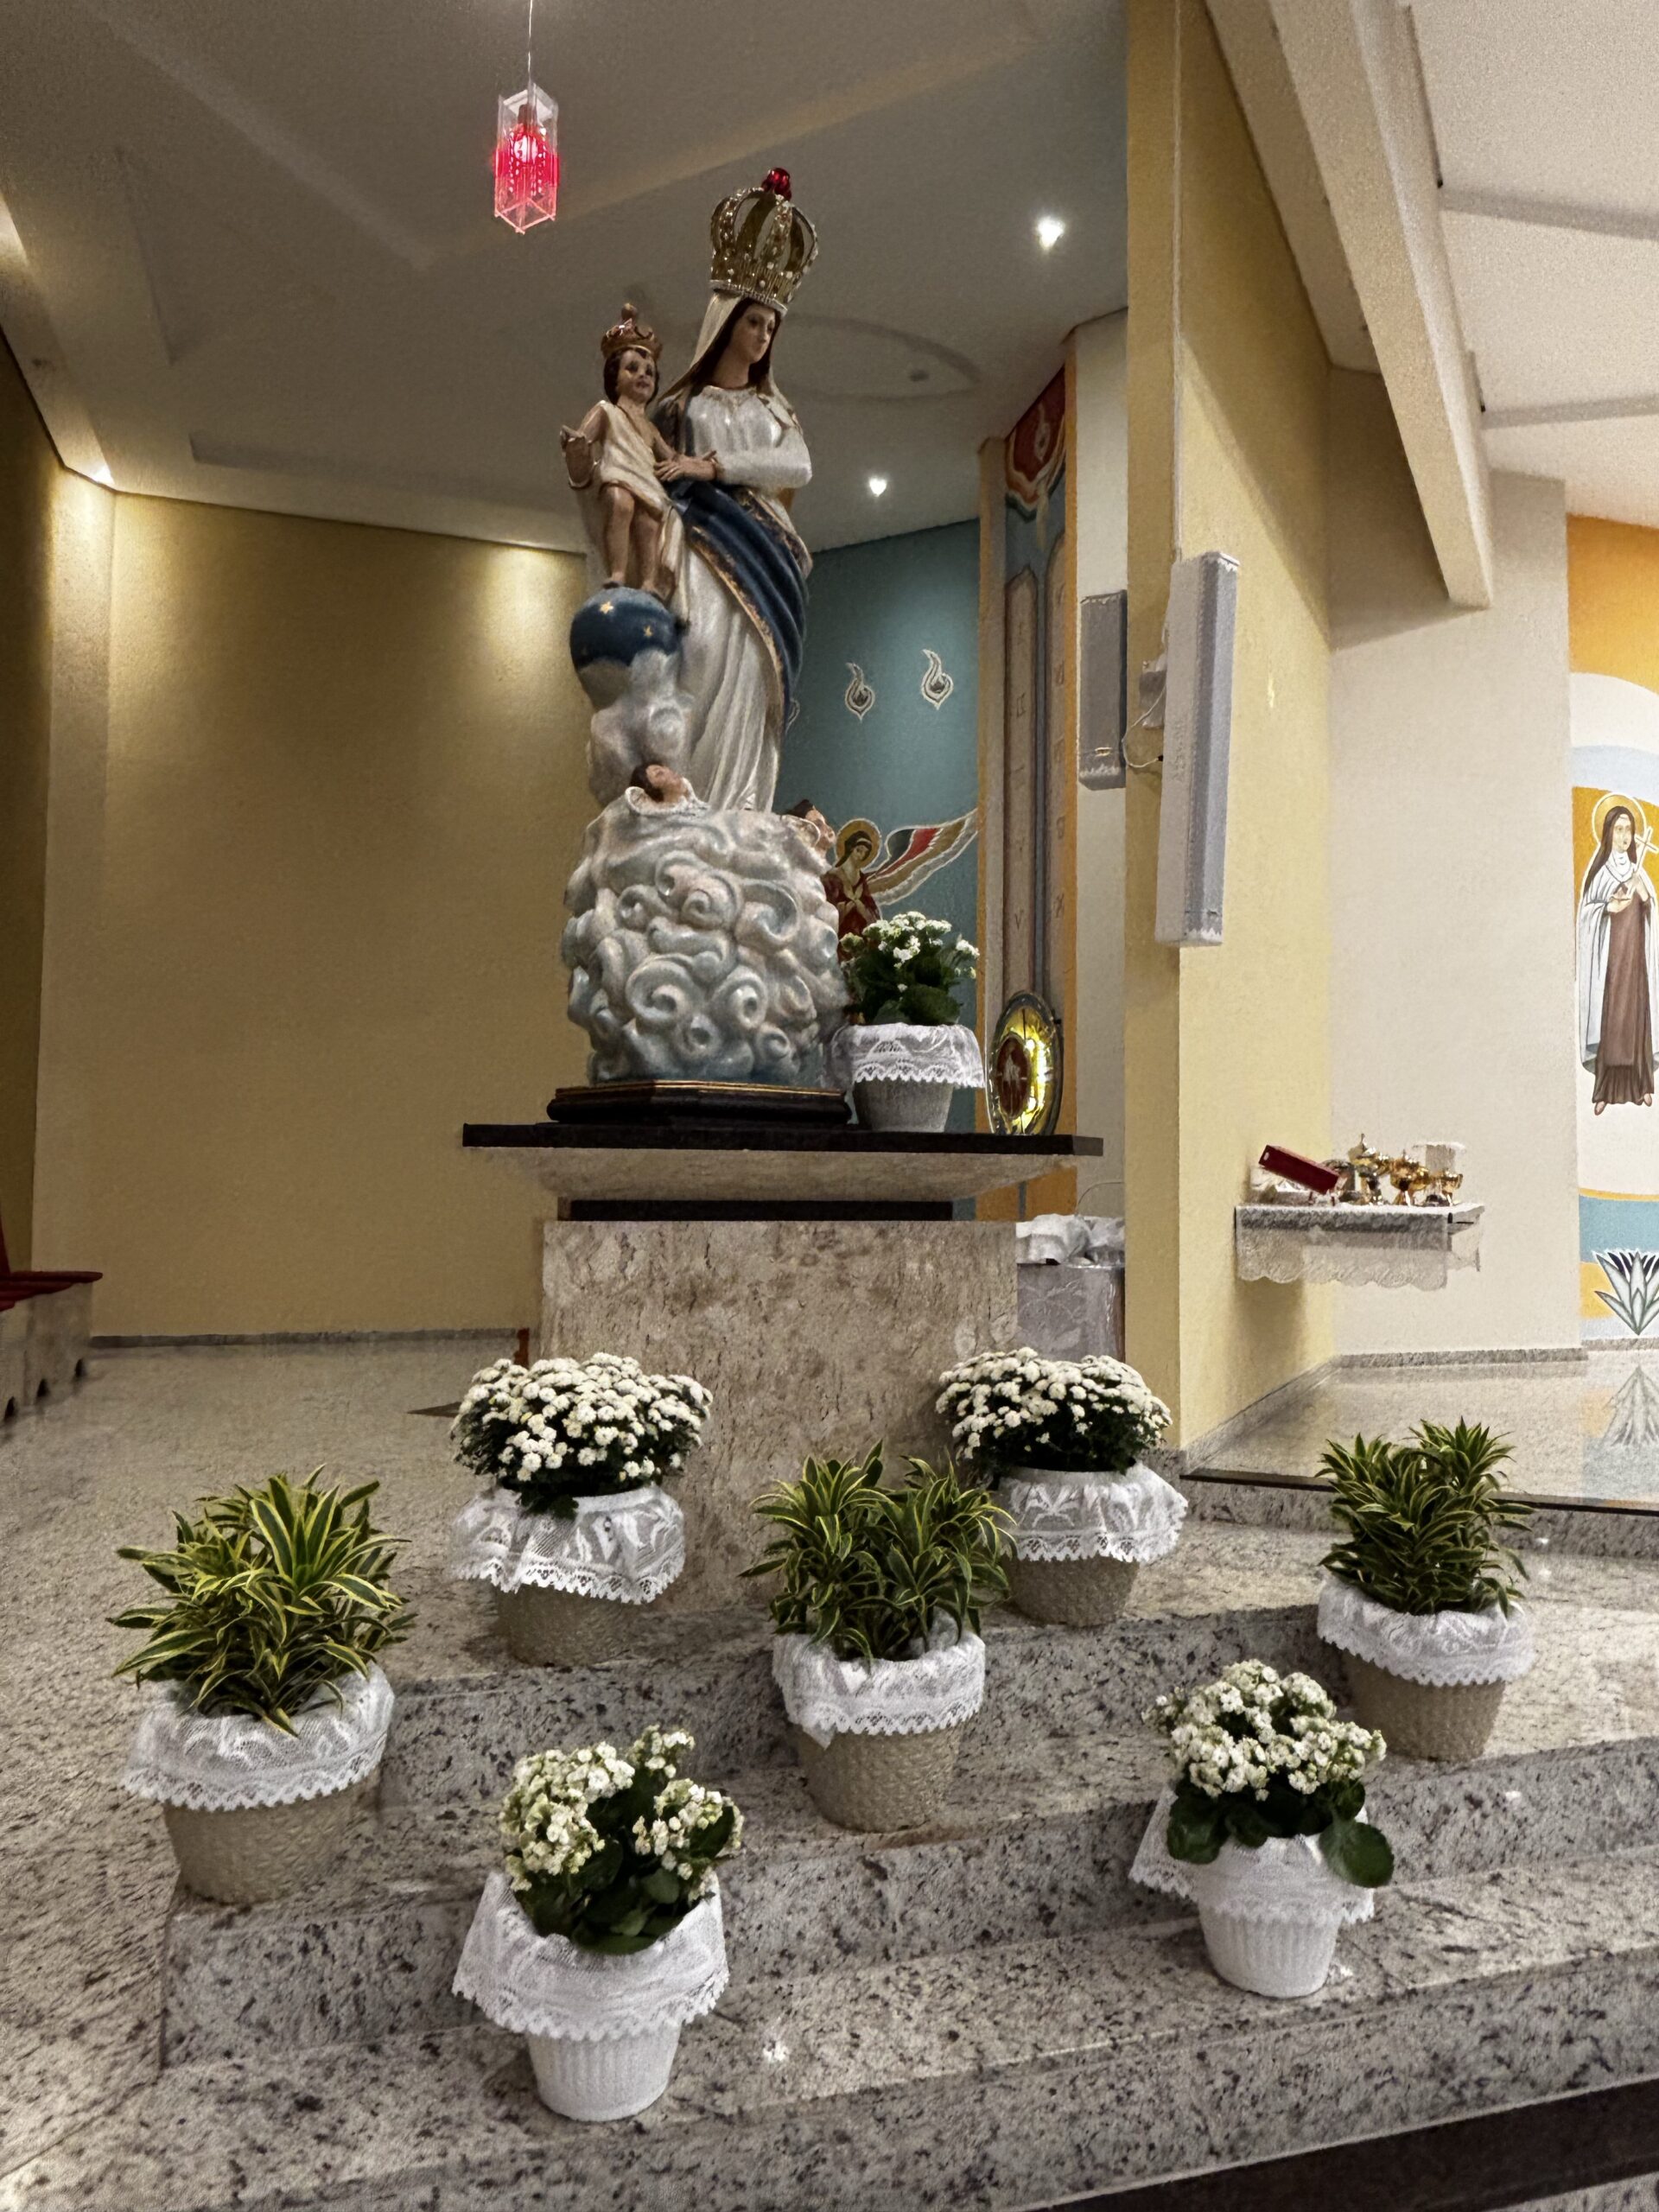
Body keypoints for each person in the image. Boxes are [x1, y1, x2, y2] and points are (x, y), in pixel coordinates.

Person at [652, 170, 817, 814]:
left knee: (751, 670)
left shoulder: (773, 411)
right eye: (753, 321)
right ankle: (690, 801)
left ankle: (741, 807)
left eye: (771, 326)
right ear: (725, 322)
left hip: (763, 558)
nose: (763, 335)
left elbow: (798, 466)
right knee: (698, 650)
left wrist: (715, 468)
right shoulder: (682, 407)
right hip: (700, 548)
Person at [560, 306, 683, 602]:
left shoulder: (650, 428)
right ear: (615, 378)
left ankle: (649, 580)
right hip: (618, 473)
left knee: (649, 524)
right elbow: (585, 437)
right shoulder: (607, 411)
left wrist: (691, 463)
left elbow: (669, 457)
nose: (643, 375)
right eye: (633, 368)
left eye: (649, 372)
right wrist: (577, 443)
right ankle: (617, 571)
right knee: (620, 505)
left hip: (647, 480)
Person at [1578, 801, 1659, 1112]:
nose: (1624, 836)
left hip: (1636, 964)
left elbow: (1651, 915)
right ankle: (1604, 1091)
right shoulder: (1601, 874)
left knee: (1637, 1022)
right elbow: (1586, 915)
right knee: (1611, 1025)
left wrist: (1644, 896)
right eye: (1619, 829)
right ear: (1609, 833)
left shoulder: (1641, 874)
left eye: (1629, 830)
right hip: (1610, 967)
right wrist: (1606, 908)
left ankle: (1642, 1086)